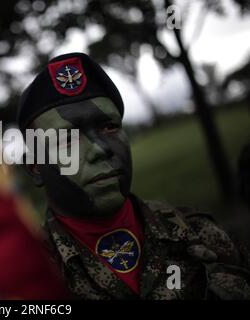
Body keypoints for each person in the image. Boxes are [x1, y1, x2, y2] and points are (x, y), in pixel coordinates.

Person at [17, 52, 250, 300]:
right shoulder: (25, 278)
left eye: (109, 127)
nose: (100, 149)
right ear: (35, 168)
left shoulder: (199, 232)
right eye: (67, 139)